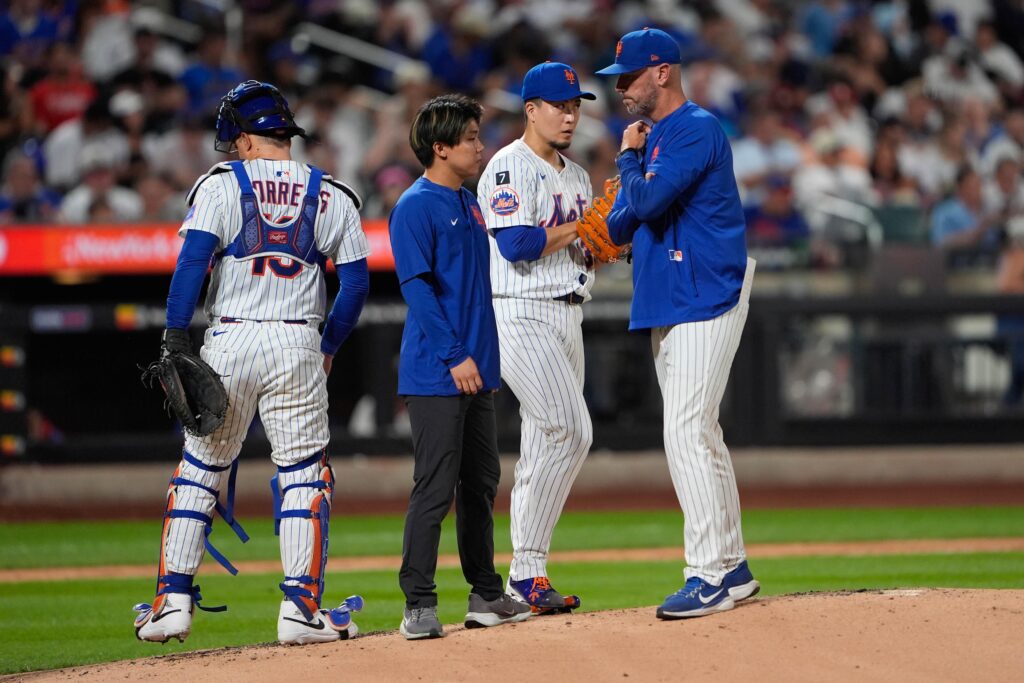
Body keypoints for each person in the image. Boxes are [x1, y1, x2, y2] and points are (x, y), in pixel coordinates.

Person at [132, 80, 370, 646]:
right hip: (297, 341)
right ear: (286, 135)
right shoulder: (334, 192)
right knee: (303, 476)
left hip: (230, 339)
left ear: (242, 140)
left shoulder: (219, 184)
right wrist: (329, 346)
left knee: (199, 470)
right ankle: (300, 611)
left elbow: (191, 266)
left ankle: (171, 603)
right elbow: (356, 285)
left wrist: (173, 341)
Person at [595, 28, 760, 619]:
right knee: (701, 433)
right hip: (669, 296)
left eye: (629, 77)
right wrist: (634, 174)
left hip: (705, 292)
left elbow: (642, 206)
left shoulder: (693, 127)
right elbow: (616, 226)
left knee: (686, 432)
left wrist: (628, 160)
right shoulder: (655, 139)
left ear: (662, 72)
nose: (621, 89)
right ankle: (733, 566)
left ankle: (706, 574)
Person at [389, 94, 531, 640]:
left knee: (480, 485)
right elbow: (417, 290)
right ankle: (419, 604)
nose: (479, 145)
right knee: (435, 486)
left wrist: (481, 363)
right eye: (469, 138)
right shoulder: (416, 205)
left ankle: (485, 594)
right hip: (437, 371)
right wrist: (456, 356)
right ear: (440, 148)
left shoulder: (470, 202)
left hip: (476, 369)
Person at [474, 61, 595, 615]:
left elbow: (588, 248)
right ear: (530, 109)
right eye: (558, 105)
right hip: (520, 311)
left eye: (574, 106)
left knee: (548, 442)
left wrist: (607, 237)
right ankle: (524, 569)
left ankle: (529, 573)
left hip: (569, 311)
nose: (569, 115)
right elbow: (517, 244)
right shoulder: (507, 167)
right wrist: (584, 227)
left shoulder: (577, 175)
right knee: (571, 429)